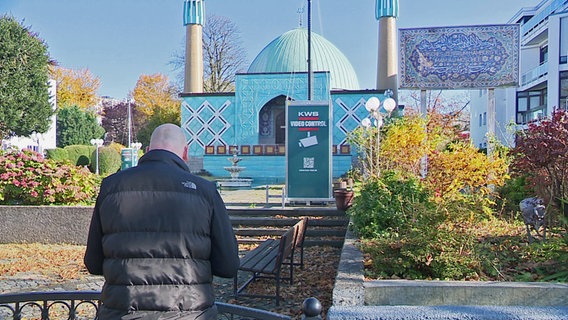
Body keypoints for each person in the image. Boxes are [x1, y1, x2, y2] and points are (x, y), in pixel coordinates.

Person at [84, 123, 240, 319]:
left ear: (148, 151)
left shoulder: (111, 187)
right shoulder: (205, 191)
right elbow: (228, 265)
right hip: (189, 313)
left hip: (122, 311)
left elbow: (93, 263)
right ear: (185, 153)